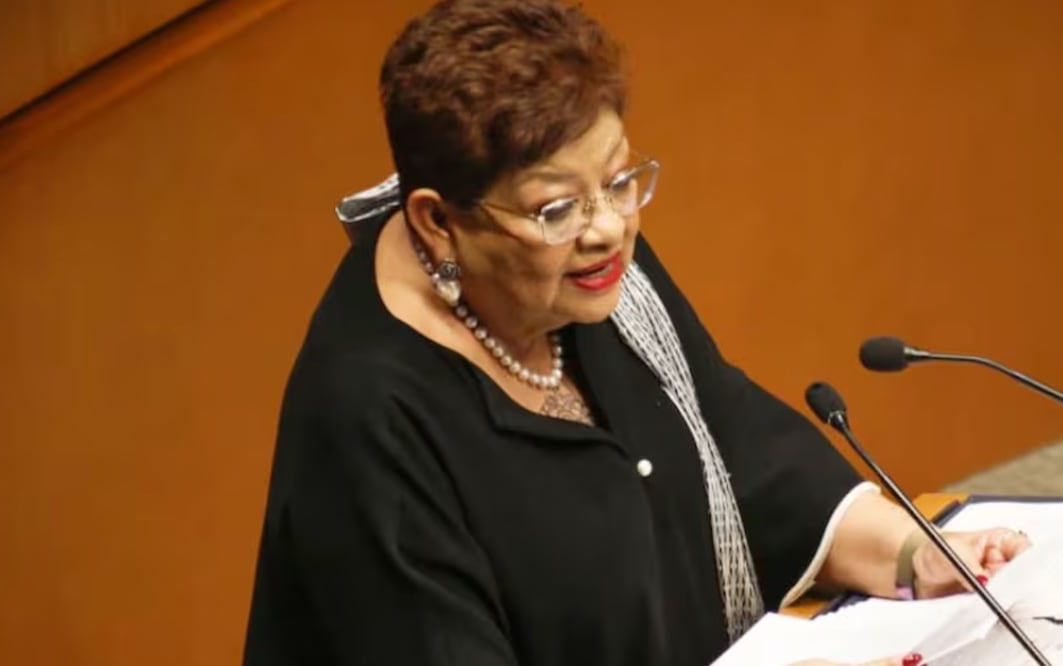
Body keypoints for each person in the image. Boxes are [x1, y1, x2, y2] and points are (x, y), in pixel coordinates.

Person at [242, 1, 1030, 664]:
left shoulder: (582, 271)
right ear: (437, 222)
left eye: (620, 180)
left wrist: (911, 554)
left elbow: (729, 447)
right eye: (556, 208)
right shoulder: (370, 418)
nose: (607, 228)